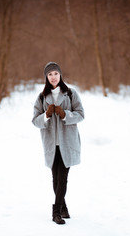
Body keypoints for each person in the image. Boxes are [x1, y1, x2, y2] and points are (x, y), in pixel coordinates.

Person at [32, 62, 85, 225]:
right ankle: (64, 207)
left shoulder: (70, 93)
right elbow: (35, 120)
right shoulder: (41, 97)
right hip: (51, 145)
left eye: (55, 73)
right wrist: (46, 116)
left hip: (67, 143)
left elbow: (81, 115)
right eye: (50, 74)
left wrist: (65, 114)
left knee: (63, 179)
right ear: (46, 78)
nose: (53, 77)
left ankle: (56, 211)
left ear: (60, 75)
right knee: (55, 179)